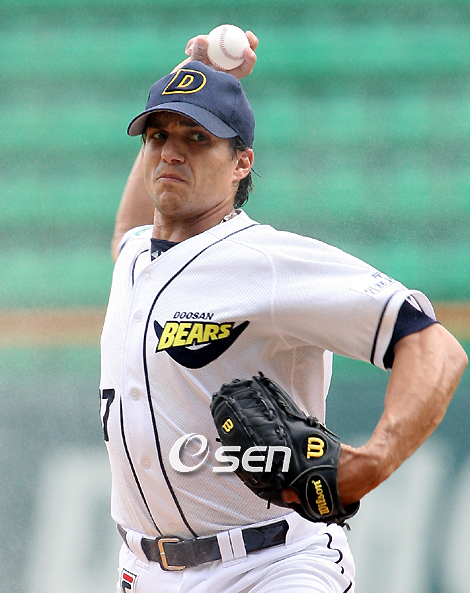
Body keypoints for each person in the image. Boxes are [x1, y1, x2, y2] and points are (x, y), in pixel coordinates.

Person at [100, 31, 467, 593]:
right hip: (145, 571)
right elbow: (129, 227)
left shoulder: (266, 261)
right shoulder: (134, 257)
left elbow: (434, 346)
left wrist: (373, 461)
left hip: (273, 565)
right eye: (158, 136)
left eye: (197, 138)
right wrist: (191, 71)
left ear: (241, 163)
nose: (171, 152)